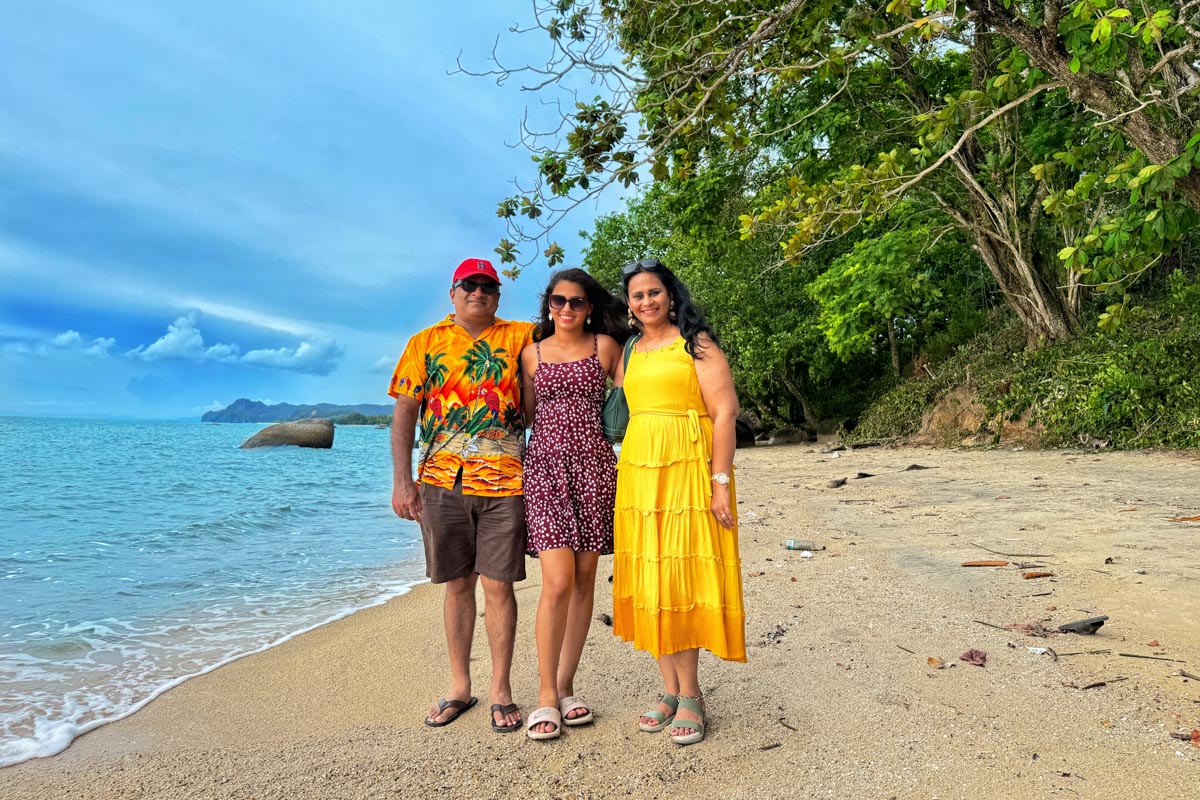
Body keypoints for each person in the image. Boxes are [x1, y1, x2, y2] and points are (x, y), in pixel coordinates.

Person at [388, 257, 534, 733]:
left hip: (506, 479)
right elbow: (405, 413)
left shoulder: (521, 337)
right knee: (456, 586)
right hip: (442, 482)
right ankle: (459, 686)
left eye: (488, 287)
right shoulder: (424, 343)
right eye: (469, 285)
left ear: (497, 296)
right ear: (452, 292)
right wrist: (402, 481)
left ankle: (501, 691)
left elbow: (568, 351)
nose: (479, 293)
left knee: (499, 586)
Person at [611, 258, 746, 746]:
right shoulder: (631, 349)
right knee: (650, 576)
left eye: (654, 292)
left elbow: (725, 413)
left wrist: (721, 483)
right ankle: (668, 690)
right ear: (628, 304)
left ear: (670, 295)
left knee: (678, 575)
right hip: (640, 470)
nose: (646, 301)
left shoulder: (698, 344)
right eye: (637, 295)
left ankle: (691, 695)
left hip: (687, 467)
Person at [518, 268, 628, 740]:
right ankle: (545, 695)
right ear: (548, 304)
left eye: (577, 302)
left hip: (596, 468)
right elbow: (525, 415)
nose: (567, 309)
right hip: (544, 469)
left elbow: (632, 403)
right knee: (557, 581)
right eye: (559, 301)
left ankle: (565, 687)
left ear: (589, 307)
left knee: (584, 580)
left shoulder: (606, 347)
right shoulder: (530, 354)